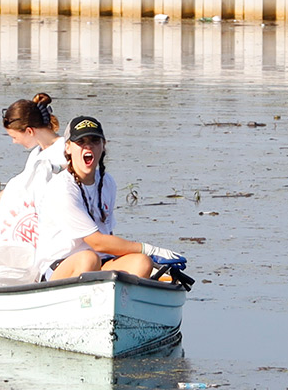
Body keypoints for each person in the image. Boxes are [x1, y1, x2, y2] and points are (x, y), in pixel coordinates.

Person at [33, 116, 182, 280]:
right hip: (59, 266)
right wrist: (150, 250)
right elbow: (97, 242)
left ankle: (119, 302)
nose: (88, 146)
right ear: (67, 148)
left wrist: (149, 258)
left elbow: (107, 237)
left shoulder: (108, 182)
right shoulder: (62, 188)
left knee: (142, 263)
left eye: (94, 141)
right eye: (80, 142)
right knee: (88, 259)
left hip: (101, 261)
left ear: (103, 146)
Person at [0, 93, 65, 248]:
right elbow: (19, 185)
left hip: (58, 232)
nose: (13, 142)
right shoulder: (37, 153)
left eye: (14, 136)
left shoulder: (64, 152)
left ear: (29, 131)